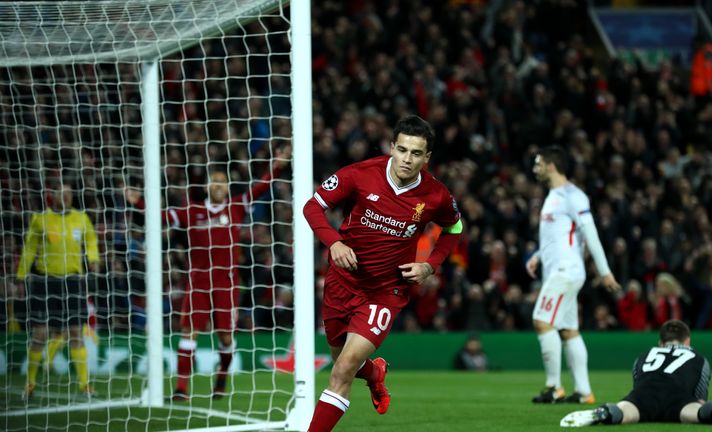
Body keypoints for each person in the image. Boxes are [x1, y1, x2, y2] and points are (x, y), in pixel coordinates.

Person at [303, 114, 463, 431]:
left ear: (427, 157)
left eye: (416, 153)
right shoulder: (360, 174)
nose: (407, 159)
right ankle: (375, 374)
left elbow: (454, 227)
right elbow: (312, 207)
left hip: (386, 292)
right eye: (402, 150)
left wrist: (430, 265)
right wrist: (334, 242)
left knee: (342, 369)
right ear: (392, 147)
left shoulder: (436, 195)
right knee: (342, 360)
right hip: (341, 281)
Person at [125, 148, 288, 401]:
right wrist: (138, 202)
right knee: (188, 331)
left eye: (223, 182)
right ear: (208, 186)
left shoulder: (236, 206)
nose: (219, 185)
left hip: (226, 285)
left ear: (227, 186)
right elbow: (160, 217)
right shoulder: (192, 211)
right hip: (198, 282)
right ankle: (181, 389)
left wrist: (276, 166)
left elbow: (260, 188)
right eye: (215, 181)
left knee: (225, 337)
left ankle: (221, 377)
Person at [525, 145, 621, 404]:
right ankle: (584, 392)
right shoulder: (554, 195)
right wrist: (537, 256)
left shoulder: (573, 195)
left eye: (538, 163)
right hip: (558, 269)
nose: (535, 168)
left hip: (565, 272)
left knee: (541, 321)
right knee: (568, 330)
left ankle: (554, 387)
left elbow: (591, 235)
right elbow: (560, 238)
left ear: (551, 166)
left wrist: (605, 272)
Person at [560, 319, 712, 428]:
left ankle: (604, 413)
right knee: (697, 412)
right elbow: (700, 397)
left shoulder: (645, 354)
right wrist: (702, 406)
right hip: (678, 398)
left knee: (626, 410)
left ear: (661, 343)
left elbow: (638, 385)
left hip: (644, 396)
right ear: (687, 342)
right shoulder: (699, 358)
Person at [16, 183, 100, 399]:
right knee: (41, 334)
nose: (66, 197)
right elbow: (29, 248)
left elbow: (91, 239)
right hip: (46, 282)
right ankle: (30, 384)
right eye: (62, 193)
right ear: (52, 196)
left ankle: (84, 385)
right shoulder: (41, 219)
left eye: (69, 193)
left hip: (73, 282)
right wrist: (20, 276)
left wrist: (93, 259)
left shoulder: (81, 218)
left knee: (75, 333)